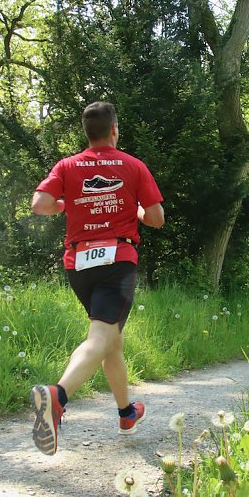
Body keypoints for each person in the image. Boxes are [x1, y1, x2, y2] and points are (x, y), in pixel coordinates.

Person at [29, 101, 164, 455]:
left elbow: (40, 204)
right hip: (117, 261)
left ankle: (126, 413)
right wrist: (134, 209)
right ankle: (57, 396)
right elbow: (156, 217)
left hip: (79, 265)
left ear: (87, 133)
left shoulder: (67, 166)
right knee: (102, 337)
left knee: (111, 339)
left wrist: (64, 204)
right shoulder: (133, 166)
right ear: (115, 130)